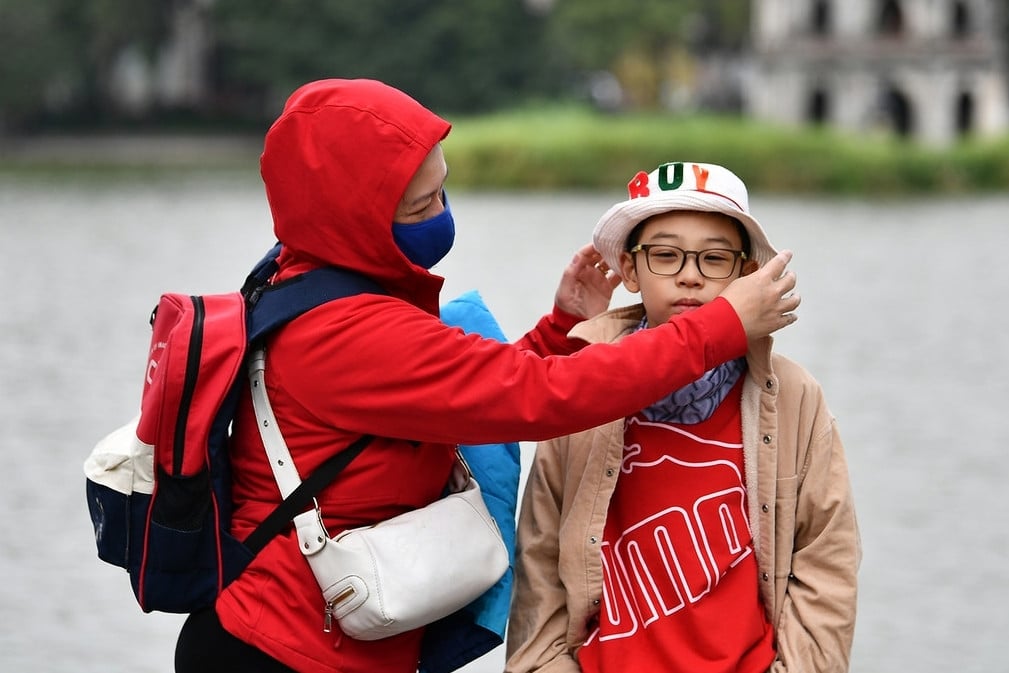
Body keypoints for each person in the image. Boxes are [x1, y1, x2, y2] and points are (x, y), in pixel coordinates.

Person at [173, 80, 800, 673]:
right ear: (352, 217)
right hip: (279, 648)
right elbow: (538, 396)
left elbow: (457, 393)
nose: (441, 214)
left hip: (330, 636)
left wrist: (559, 331)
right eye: (421, 205)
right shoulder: (342, 331)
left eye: (442, 191)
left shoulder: (317, 282)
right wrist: (722, 326)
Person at [505, 161, 859, 673]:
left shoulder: (795, 398)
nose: (690, 275)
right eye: (666, 255)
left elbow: (827, 565)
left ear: (745, 275)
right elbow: (539, 563)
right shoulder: (582, 387)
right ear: (630, 271)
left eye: (714, 259)